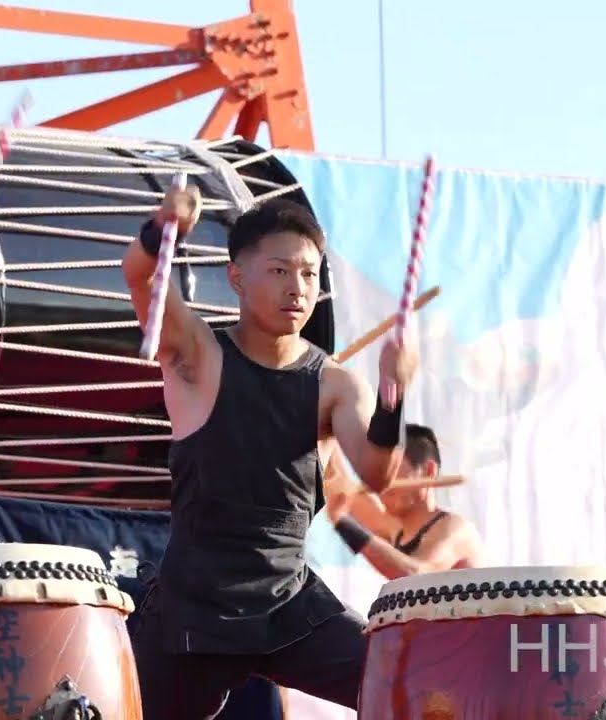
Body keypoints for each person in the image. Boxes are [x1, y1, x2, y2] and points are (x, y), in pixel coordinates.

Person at [122, 187, 417, 720]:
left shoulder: (334, 383)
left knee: (406, 690)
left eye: (308, 274)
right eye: (280, 271)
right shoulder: (197, 353)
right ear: (237, 278)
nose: (298, 288)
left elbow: (377, 473)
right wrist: (159, 228)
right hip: (194, 609)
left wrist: (394, 394)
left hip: (289, 604)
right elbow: (141, 278)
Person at [327, 423, 486, 578]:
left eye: (390, 469)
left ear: (428, 471)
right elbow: (337, 483)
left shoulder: (454, 529)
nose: (381, 482)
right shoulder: (395, 530)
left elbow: (418, 575)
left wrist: (343, 523)